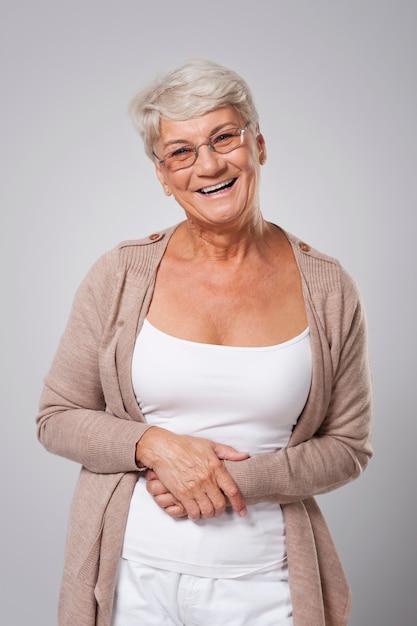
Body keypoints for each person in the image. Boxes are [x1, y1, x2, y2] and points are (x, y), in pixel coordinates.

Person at [36, 58, 373, 626]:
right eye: (181, 151)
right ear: (162, 175)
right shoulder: (119, 274)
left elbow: (348, 447)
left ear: (258, 144)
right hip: (130, 581)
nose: (209, 164)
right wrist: (154, 445)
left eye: (224, 137)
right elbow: (57, 416)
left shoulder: (329, 287)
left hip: (268, 586)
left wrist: (233, 481)